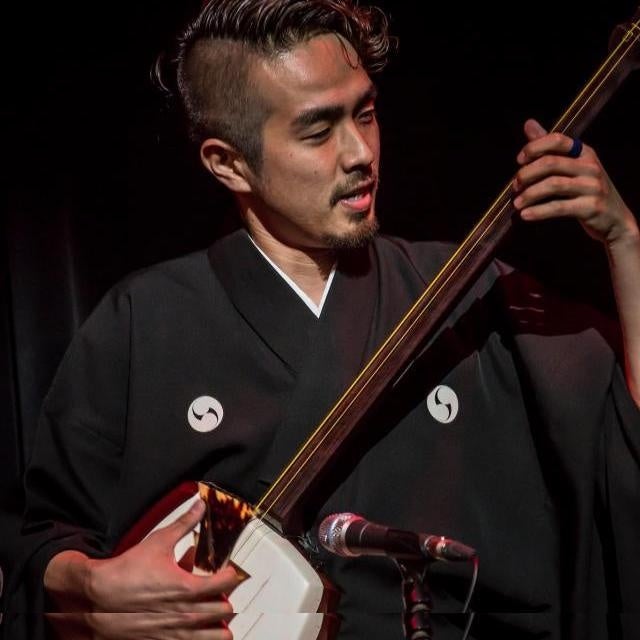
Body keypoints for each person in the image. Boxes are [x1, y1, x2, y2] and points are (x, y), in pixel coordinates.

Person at [4, 1, 640, 639]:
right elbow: (43, 545)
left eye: (365, 113)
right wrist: (88, 587)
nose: (360, 152)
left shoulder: (466, 293)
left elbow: (625, 440)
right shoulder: (145, 323)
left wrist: (625, 243)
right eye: (317, 131)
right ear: (229, 163)